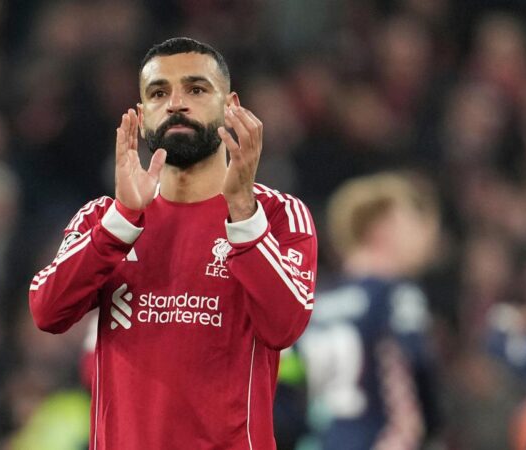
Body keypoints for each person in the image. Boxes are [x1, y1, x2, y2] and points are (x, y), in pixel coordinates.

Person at [29, 37, 318, 449]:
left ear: (231, 105)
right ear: (141, 113)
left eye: (196, 89)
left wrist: (242, 211)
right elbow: (47, 311)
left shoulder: (275, 215)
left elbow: (284, 326)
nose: (176, 104)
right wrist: (122, 221)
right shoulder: (104, 219)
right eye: (158, 93)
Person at [296, 172, 440, 450]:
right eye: (412, 222)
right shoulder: (396, 294)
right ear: (382, 229)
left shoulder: (314, 302)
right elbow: (417, 370)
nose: (424, 235)